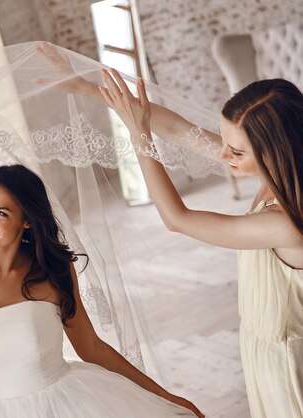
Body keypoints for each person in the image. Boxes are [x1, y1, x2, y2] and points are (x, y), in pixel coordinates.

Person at [95, 69, 303, 417]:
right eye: (224, 143)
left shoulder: (286, 225)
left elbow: (178, 219)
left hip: (285, 362)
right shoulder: (280, 173)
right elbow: (177, 130)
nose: (223, 156)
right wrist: (90, 90)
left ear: (273, 152)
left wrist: (138, 135)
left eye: (235, 152)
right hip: (263, 347)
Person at [0, 164, 203, 417]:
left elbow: (91, 347)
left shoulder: (54, 271)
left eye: (1, 213)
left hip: (62, 405)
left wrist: (163, 396)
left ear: (27, 220)